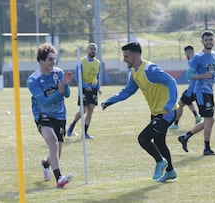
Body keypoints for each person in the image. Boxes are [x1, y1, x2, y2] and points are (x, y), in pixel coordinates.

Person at [101, 42, 178, 183]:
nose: (124, 59)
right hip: (156, 113)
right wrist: (109, 101)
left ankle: (160, 162)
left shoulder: (150, 70)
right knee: (159, 143)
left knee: (143, 138)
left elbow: (171, 81)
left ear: (135, 55)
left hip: (168, 112)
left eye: (126, 56)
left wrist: (170, 104)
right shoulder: (134, 71)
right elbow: (128, 91)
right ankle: (171, 171)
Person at [27, 43, 73, 188]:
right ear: (41, 61)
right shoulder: (33, 80)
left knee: (57, 152)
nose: (53, 62)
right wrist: (59, 92)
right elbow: (44, 102)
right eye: (50, 60)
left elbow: (67, 95)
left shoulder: (58, 72)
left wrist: (65, 85)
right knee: (53, 143)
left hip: (60, 115)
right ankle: (59, 179)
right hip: (42, 114)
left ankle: (46, 163)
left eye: (54, 59)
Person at [178, 30, 215, 155]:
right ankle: (206, 148)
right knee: (209, 119)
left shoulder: (214, 55)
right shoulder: (198, 57)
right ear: (202, 41)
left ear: (213, 41)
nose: (209, 42)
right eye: (206, 40)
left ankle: (185, 137)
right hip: (200, 91)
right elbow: (189, 75)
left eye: (211, 40)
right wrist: (203, 75)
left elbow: (211, 73)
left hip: (210, 91)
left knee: (210, 120)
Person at [67, 43, 101, 139]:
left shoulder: (98, 63)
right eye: (91, 48)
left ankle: (85, 133)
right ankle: (71, 126)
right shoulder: (81, 62)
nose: (92, 50)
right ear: (87, 50)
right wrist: (85, 86)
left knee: (90, 111)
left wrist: (98, 87)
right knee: (83, 111)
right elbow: (77, 76)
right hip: (83, 89)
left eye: (94, 49)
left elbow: (98, 76)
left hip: (93, 89)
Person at [169, 46, 201, 130]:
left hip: (192, 90)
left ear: (188, 53)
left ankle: (176, 124)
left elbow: (191, 74)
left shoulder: (191, 61)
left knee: (179, 105)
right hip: (198, 89)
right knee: (186, 102)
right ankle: (196, 116)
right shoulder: (198, 59)